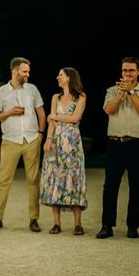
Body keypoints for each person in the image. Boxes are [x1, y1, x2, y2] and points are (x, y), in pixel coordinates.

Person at [0, 57, 46, 233]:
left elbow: (41, 113)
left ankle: (34, 219)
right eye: (24, 71)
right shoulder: (2, 92)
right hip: (10, 141)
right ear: (15, 71)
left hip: (31, 139)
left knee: (33, 181)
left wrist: (41, 135)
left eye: (28, 71)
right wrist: (10, 112)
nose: (28, 74)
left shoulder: (32, 90)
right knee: (4, 181)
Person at [97, 57, 139, 239]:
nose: (127, 74)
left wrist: (131, 92)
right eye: (124, 71)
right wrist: (121, 94)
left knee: (136, 186)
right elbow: (109, 110)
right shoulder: (111, 91)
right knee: (110, 186)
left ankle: (132, 226)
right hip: (116, 143)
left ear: (138, 72)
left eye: (131, 70)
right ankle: (106, 225)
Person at [39, 67, 87, 235]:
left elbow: (75, 118)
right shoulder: (55, 97)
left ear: (69, 77)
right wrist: (48, 139)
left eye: (60, 75)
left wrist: (55, 117)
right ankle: (57, 223)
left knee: (73, 178)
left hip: (72, 142)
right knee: (54, 177)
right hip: (56, 141)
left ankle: (78, 224)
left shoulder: (81, 97)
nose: (58, 77)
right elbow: (51, 121)